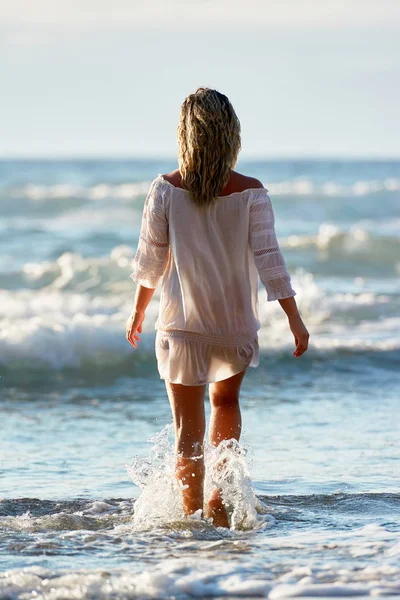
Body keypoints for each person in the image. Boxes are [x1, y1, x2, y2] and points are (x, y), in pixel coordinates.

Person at [126, 87, 309, 528]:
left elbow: (151, 259)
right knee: (225, 403)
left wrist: (137, 313)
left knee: (187, 431)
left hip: (181, 325)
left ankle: (190, 521)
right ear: (231, 134)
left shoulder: (165, 190)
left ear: (185, 134)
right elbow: (271, 260)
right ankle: (218, 505)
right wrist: (293, 317)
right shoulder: (251, 192)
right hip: (233, 326)